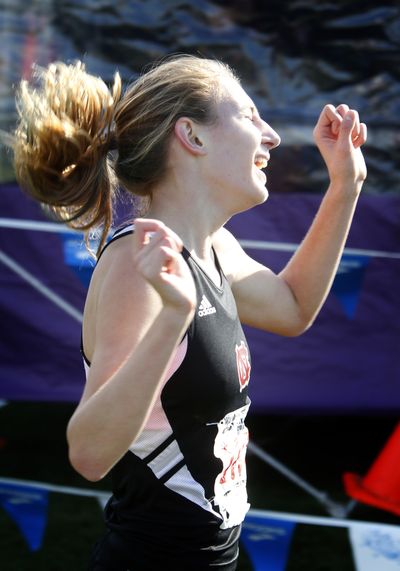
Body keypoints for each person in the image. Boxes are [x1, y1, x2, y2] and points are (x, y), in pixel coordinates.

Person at [11, 54, 367, 570]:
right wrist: (174, 318)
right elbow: (89, 453)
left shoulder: (212, 247)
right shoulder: (140, 263)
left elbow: (292, 309)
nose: (271, 136)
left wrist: (345, 187)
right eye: (249, 116)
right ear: (192, 137)